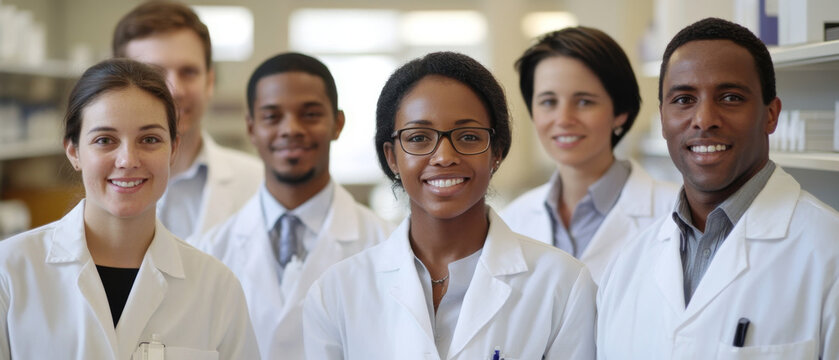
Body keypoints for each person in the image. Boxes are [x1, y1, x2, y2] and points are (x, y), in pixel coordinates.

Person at [303, 52, 596, 359]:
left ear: (496, 151)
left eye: (468, 136)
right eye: (418, 137)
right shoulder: (335, 293)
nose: (444, 156)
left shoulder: (561, 284)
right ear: (392, 157)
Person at [596, 18, 839, 359]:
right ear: (663, 118)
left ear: (771, 115)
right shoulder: (626, 265)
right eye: (683, 99)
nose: (704, 118)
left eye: (730, 97)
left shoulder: (829, 252)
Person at [0, 58, 259, 359]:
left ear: (172, 149)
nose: (127, 160)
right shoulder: (10, 271)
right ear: (73, 152)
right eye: (105, 140)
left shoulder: (217, 287)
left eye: (149, 139)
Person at [196, 52, 391, 359]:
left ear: (337, 123)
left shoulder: (387, 246)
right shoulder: (208, 252)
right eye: (272, 116)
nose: (291, 129)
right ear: (251, 128)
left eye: (310, 114)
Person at [501, 27, 677, 284]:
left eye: (584, 102)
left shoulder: (674, 213)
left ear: (621, 112)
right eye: (548, 102)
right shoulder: (513, 220)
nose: (563, 120)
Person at [112, 0, 262, 239]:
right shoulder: (102, 182)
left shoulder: (257, 183)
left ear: (209, 82)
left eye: (189, 72)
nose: (175, 90)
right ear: (118, 86)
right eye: (154, 74)